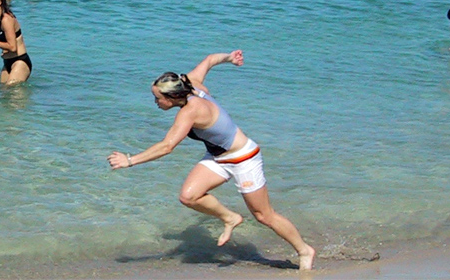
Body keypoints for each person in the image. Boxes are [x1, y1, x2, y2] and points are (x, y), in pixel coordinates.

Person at [107, 50, 315, 270]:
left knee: (264, 215)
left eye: (158, 98)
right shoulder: (188, 83)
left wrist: (130, 160)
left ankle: (304, 250)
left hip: (244, 158)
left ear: (173, 97)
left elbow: (167, 146)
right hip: (218, 156)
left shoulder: (191, 111)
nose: (155, 102)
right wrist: (229, 58)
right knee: (189, 196)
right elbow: (209, 60)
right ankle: (230, 218)